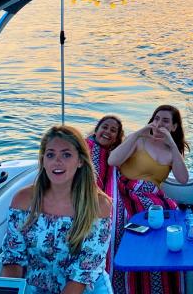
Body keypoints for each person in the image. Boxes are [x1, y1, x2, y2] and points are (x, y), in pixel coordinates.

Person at [1, 125, 113, 294]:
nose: (57, 161)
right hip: (35, 287)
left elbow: (84, 271)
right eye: (50, 155)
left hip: (84, 288)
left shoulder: (99, 205)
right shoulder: (23, 200)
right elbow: (13, 257)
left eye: (66, 155)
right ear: (43, 160)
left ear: (80, 161)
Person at [108, 105, 190, 294]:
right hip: (125, 192)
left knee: (172, 222)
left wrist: (171, 143)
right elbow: (113, 161)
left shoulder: (171, 152)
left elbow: (183, 179)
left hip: (152, 197)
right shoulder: (139, 140)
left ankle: (158, 281)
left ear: (174, 127)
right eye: (156, 119)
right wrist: (139, 133)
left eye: (165, 121)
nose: (159, 124)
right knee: (124, 223)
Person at [86, 116, 126, 294]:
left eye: (113, 130)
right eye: (105, 127)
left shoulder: (113, 155)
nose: (107, 132)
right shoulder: (85, 146)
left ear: (117, 138)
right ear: (96, 130)